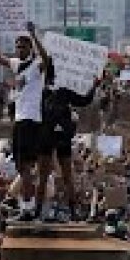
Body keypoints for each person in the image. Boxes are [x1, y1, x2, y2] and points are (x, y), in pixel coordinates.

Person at [0, 20, 55, 218]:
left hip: (31, 120)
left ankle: (28, 207)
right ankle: (28, 206)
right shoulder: (17, 64)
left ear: (30, 48)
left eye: (23, 46)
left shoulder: (36, 66)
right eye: (17, 46)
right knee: (21, 167)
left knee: (26, 167)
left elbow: (47, 58)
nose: (19, 49)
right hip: (20, 120)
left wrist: (34, 34)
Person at [41, 75, 99, 220]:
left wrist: (94, 86)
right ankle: (37, 210)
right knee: (45, 175)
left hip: (60, 137)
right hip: (48, 137)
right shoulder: (42, 92)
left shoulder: (62, 92)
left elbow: (84, 100)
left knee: (65, 175)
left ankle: (72, 211)